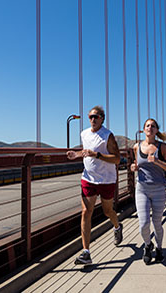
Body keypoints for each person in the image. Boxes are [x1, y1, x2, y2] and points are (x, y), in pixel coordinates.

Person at [66, 106, 123, 265]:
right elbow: (86, 152)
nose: (92, 119)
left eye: (96, 117)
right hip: (88, 179)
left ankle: (117, 227)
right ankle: (86, 252)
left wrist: (97, 155)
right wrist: (75, 154)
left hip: (106, 180)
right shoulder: (84, 134)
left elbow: (117, 159)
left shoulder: (107, 136)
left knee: (107, 211)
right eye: (90, 117)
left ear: (102, 118)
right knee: (86, 211)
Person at [130, 118, 166, 265]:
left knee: (157, 223)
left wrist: (157, 162)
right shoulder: (136, 147)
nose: (150, 128)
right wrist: (134, 167)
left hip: (158, 190)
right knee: (143, 224)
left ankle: (159, 248)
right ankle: (148, 245)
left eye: (153, 126)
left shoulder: (163, 147)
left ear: (156, 130)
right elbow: (137, 164)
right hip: (142, 189)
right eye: (147, 126)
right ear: (144, 129)